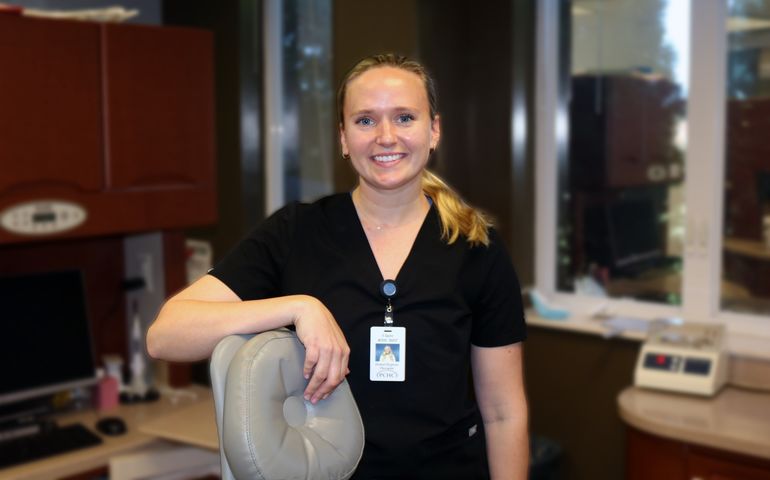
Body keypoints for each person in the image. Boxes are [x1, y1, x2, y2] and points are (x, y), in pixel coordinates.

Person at [147, 53, 529, 479]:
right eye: (365, 120)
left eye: (405, 117)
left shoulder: (476, 247)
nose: (386, 136)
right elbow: (166, 336)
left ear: (433, 131)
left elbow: (502, 412)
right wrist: (297, 307)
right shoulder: (297, 232)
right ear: (343, 138)